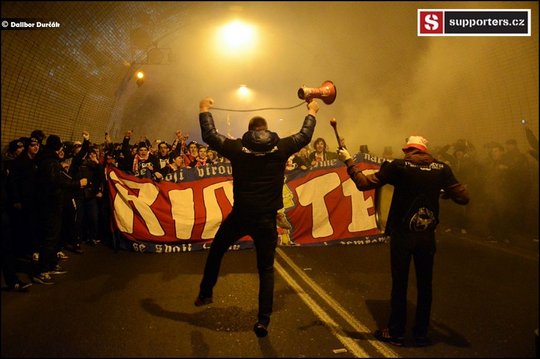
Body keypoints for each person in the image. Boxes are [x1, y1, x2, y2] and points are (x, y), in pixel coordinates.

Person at [194, 96, 319, 338]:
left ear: (249, 131)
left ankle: (206, 292)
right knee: (266, 269)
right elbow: (304, 136)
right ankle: (263, 320)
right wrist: (312, 111)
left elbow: (210, 136)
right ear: (267, 129)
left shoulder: (237, 148)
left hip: (240, 215)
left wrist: (204, 109)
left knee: (217, 249)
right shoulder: (281, 147)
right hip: (266, 219)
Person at [337, 135, 469, 347]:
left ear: (409, 150)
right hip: (427, 237)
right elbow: (463, 197)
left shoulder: (399, 166)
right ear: (425, 151)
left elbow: (363, 184)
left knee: (400, 284)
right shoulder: (441, 168)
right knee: (426, 285)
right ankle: (421, 333)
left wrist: (348, 161)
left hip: (403, 235)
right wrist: (444, 192)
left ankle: (396, 332)